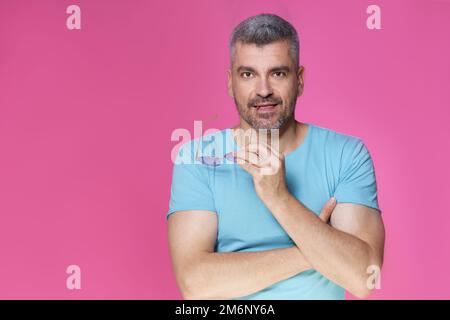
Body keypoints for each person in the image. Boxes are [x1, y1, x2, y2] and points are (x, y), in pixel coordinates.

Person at [167, 13, 385, 300]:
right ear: (231, 82)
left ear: (300, 80)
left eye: (278, 73)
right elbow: (195, 284)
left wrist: (279, 197)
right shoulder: (196, 158)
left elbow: (363, 277)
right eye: (248, 74)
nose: (264, 90)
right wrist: (313, 249)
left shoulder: (346, 154)